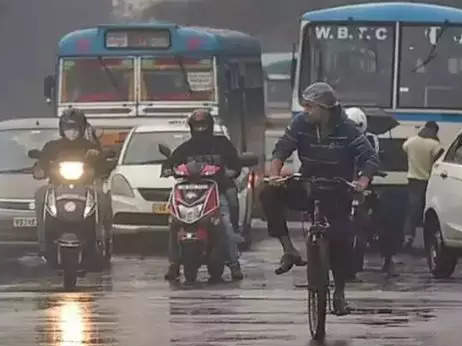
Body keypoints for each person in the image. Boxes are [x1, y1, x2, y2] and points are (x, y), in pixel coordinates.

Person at [261, 82, 379, 316]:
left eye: (310, 106)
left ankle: (340, 294)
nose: (305, 111)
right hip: (308, 185)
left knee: (342, 238)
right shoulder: (300, 124)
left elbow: (370, 159)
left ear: (325, 108)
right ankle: (289, 250)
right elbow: (281, 150)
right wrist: (274, 175)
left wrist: (362, 183)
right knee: (267, 194)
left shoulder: (347, 128)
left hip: (338, 189)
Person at [161, 109, 245, 282]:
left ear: (210, 126)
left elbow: (236, 164)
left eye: (203, 125)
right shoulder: (186, 148)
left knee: (226, 224)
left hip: (218, 190)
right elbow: (171, 162)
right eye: (197, 126)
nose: (200, 129)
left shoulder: (222, 144)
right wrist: (167, 169)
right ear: (191, 127)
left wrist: (230, 172)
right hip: (191, 194)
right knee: (174, 223)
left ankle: (234, 264)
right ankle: (173, 264)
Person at [32, 109, 103, 265]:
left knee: (101, 195)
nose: (71, 132)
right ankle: (43, 243)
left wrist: (99, 159)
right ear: (62, 129)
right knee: (40, 194)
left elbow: (103, 166)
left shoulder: (90, 147)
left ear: (82, 129)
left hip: (85, 188)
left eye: (75, 128)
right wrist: (40, 168)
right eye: (68, 128)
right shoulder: (52, 146)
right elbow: (42, 163)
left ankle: (101, 241)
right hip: (57, 188)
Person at [344, 107, 392, 277]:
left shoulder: (371, 139)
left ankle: (388, 257)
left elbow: (373, 160)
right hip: (342, 185)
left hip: (364, 185)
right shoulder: (336, 137)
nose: (354, 129)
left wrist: (366, 176)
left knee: (387, 218)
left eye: (357, 126)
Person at [402, 120, 443, 251]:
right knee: (430, 211)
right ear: (434, 131)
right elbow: (439, 161)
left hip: (412, 180)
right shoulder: (435, 145)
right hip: (429, 181)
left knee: (412, 209)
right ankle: (428, 239)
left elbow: (404, 149)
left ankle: (408, 235)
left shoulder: (410, 142)